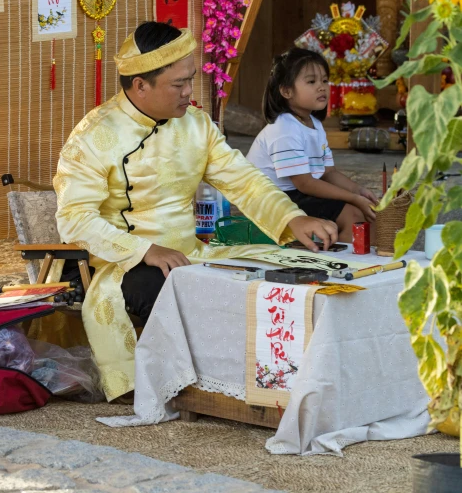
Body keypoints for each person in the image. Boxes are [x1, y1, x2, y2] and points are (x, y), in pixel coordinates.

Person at [54, 22, 338, 401]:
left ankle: (282, 381)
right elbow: (74, 219)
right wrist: (146, 251)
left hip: (192, 252)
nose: (190, 92)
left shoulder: (197, 125)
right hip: (123, 263)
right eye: (178, 84)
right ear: (140, 85)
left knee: (284, 272)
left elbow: (243, 180)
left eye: (191, 80)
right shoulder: (95, 135)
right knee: (177, 286)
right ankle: (208, 389)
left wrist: (291, 218)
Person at [247, 47, 378, 242]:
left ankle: (358, 262)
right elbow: (305, 183)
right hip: (272, 200)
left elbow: (328, 172)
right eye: (311, 81)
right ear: (286, 90)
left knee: (365, 213)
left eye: (325, 81)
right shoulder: (284, 129)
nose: (322, 87)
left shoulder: (314, 124)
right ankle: (339, 264)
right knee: (354, 215)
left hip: (296, 193)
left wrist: (358, 191)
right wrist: (352, 199)